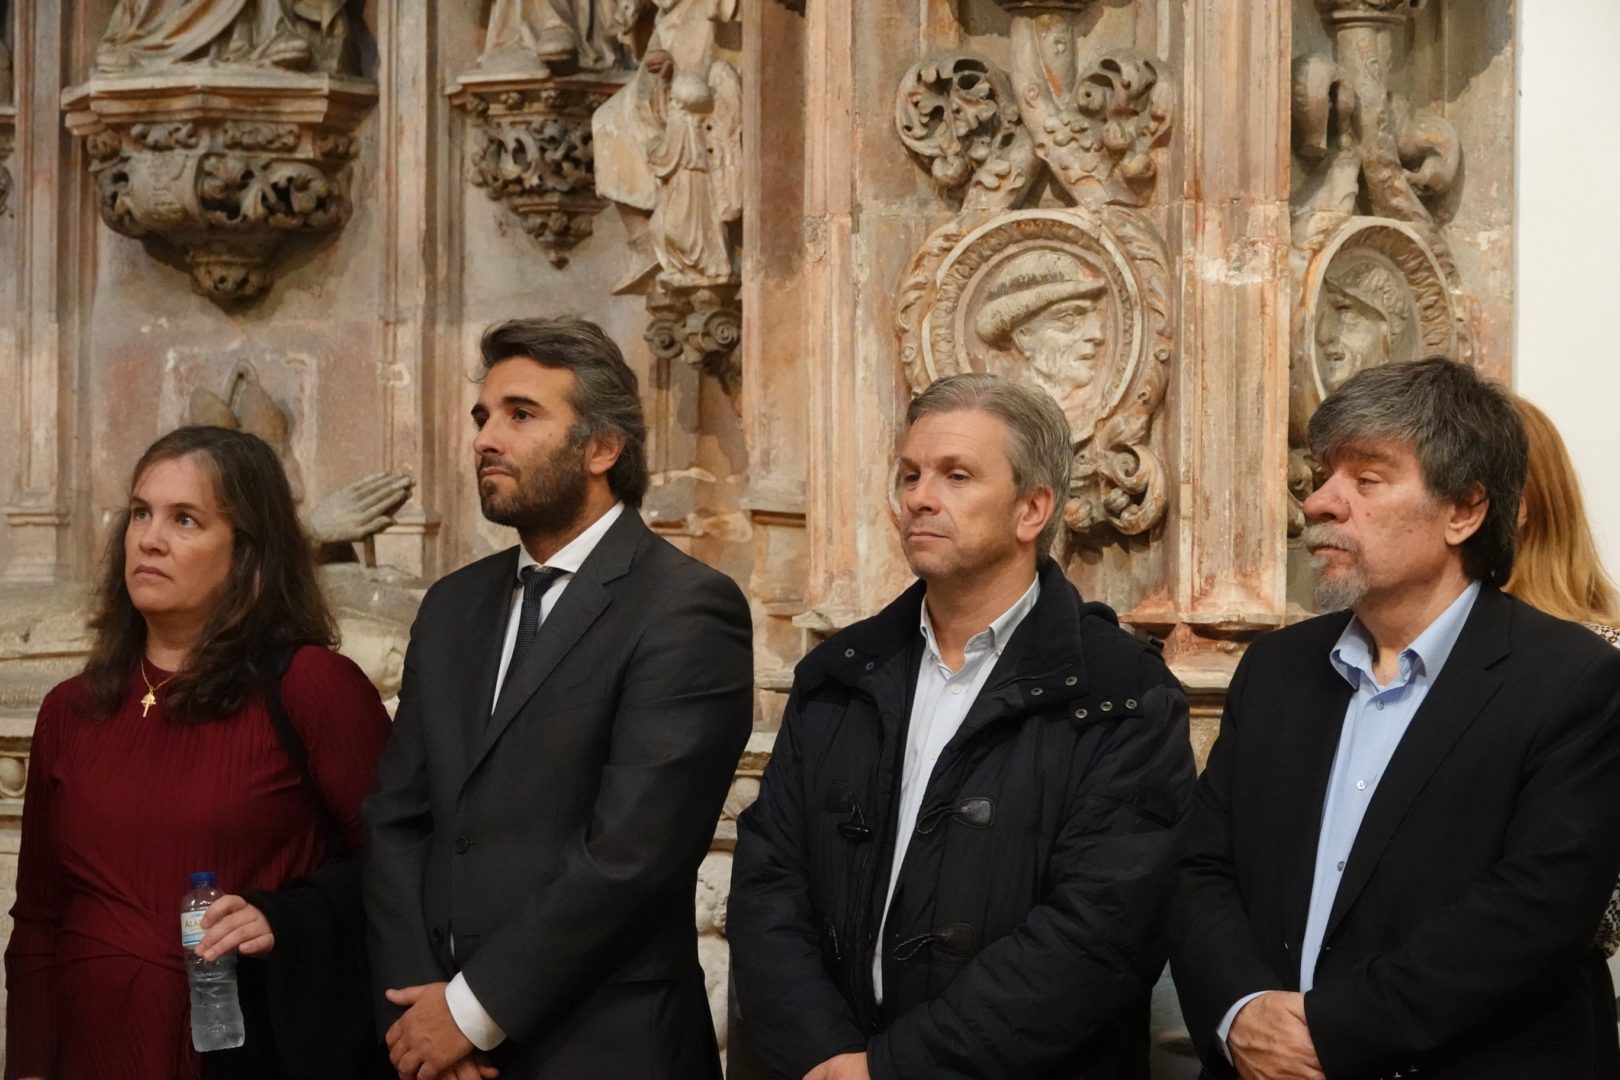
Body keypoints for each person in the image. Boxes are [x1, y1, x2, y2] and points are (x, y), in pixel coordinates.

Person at [729, 372, 1196, 1079]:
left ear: (1032, 509)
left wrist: (892, 1070)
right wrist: (825, 1055)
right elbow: (769, 882)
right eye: (910, 474)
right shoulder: (840, 674)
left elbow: (1100, 933)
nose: (920, 497)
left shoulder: (1122, 694)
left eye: (957, 475)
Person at [1170, 358, 1620, 1079]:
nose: (1320, 502)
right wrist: (1241, 1010)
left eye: (1368, 479)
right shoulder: (1276, 669)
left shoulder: (1572, 680)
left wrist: (1327, 1035)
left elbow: (1534, 913)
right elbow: (1202, 867)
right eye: (1323, 475)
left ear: (1464, 511)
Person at [362, 316, 752, 1080]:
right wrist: (421, 1016)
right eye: (483, 416)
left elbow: (633, 853)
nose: (485, 439)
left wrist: (471, 1013)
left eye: (521, 415)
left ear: (602, 448)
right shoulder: (451, 606)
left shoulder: (683, 606)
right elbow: (395, 820)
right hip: (435, 1044)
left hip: (606, 1047)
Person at [4, 426, 392, 1080]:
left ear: (248, 553)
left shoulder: (313, 686)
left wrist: (284, 918)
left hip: (246, 1056)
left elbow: (406, 870)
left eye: (185, 519)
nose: (149, 539)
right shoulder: (70, 709)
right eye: (140, 513)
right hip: (90, 1055)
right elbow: (40, 917)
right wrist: (29, 1067)